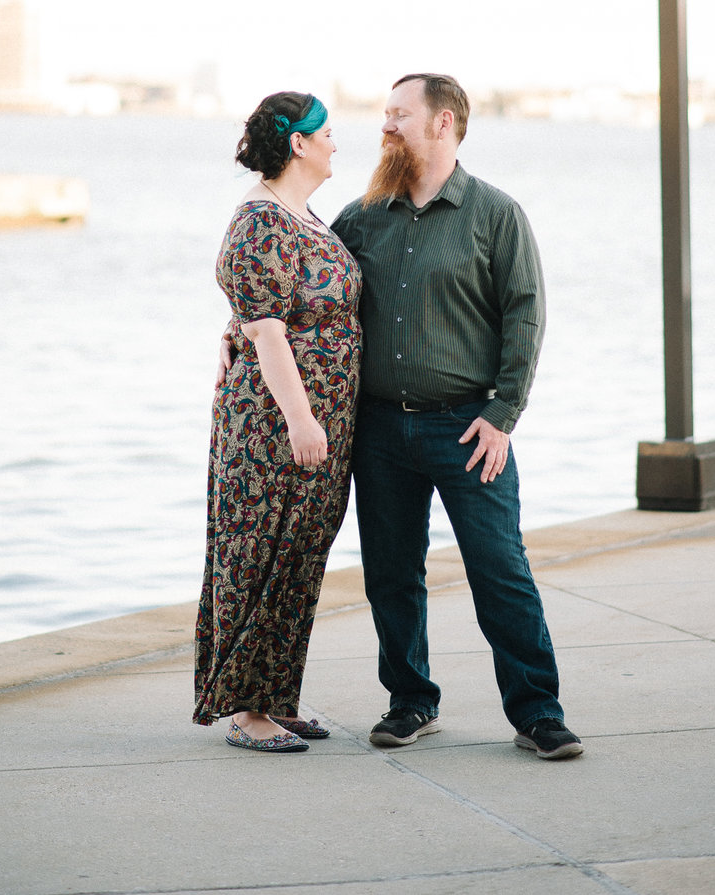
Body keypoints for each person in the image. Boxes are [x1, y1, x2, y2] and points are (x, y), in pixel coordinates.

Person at [330, 72, 582, 760]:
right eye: (384, 113)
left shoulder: (496, 214)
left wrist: (503, 413)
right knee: (390, 571)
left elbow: (525, 313)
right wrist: (246, 326)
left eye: (398, 114)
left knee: (500, 569)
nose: (385, 125)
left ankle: (538, 713)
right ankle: (411, 701)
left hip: (471, 428)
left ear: (442, 123)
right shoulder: (359, 217)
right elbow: (312, 296)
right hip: (379, 431)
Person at [194, 91, 362, 753]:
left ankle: (276, 697)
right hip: (274, 428)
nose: (335, 143)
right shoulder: (262, 219)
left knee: (298, 560)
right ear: (299, 143)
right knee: (259, 555)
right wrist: (301, 418)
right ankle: (246, 711)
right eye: (326, 133)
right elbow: (265, 330)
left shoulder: (305, 215)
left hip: (322, 425)